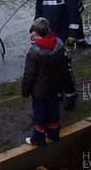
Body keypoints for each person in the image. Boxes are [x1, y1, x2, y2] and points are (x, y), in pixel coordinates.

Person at [34, 0, 80, 110]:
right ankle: (58, 91)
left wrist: (72, 36)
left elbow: (74, 15)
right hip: (49, 39)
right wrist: (34, 30)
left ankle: (71, 94)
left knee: (64, 67)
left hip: (64, 37)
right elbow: (38, 16)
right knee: (50, 67)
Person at [22, 17, 64, 147]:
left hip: (39, 90)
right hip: (54, 85)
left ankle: (38, 138)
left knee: (39, 112)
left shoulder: (34, 52)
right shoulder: (59, 43)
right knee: (53, 109)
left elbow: (29, 75)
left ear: (36, 34)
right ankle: (53, 133)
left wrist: (25, 91)